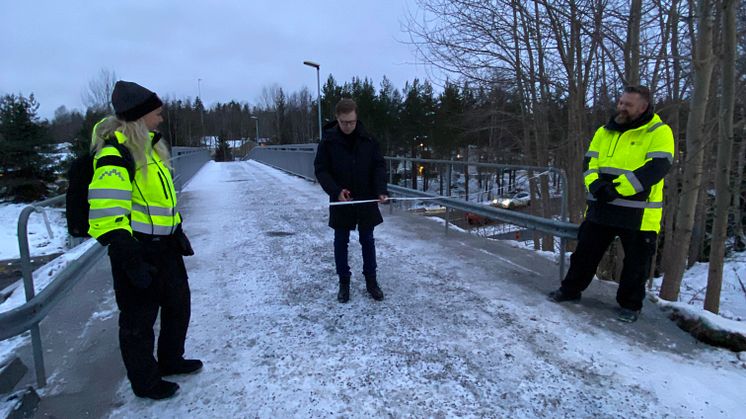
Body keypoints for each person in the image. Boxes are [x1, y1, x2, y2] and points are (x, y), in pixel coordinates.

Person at [87, 80, 202, 399]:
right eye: (157, 112)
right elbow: (108, 213)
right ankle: (145, 381)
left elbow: (159, 199)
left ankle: (170, 360)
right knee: (138, 320)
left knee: (179, 306)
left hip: (165, 247)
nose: (161, 118)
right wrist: (130, 260)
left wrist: (175, 229)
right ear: (139, 117)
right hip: (136, 250)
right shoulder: (116, 153)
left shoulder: (151, 148)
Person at [548, 85, 675, 323]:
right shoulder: (604, 131)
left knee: (636, 264)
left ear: (643, 107)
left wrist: (616, 189)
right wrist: (595, 185)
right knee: (585, 253)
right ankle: (570, 290)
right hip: (601, 207)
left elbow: (656, 168)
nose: (621, 107)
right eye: (620, 102)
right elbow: (589, 162)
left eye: (628, 104)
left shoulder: (659, 132)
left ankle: (629, 306)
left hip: (639, 213)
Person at [314, 98, 389, 303]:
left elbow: (379, 166)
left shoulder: (369, 140)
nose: (348, 126)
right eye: (344, 122)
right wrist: (336, 191)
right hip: (341, 200)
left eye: (351, 122)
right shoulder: (328, 141)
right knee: (341, 241)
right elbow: (321, 170)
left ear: (356, 118)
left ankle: (371, 281)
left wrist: (380, 190)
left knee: (367, 240)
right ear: (337, 119)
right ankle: (344, 282)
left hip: (366, 198)